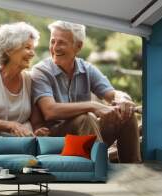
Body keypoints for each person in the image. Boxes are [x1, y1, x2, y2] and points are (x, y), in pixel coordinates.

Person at [31, 20, 141, 163]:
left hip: (88, 133)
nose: (55, 47)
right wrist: (92, 106)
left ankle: (133, 168)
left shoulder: (87, 69)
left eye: (61, 42)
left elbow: (111, 93)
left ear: (78, 46)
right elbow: (50, 110)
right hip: (56, 138)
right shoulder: (41, 71)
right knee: (86, 118)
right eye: (53, 42)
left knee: (126, 114)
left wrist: (123, 99)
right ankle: (100, 168)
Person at [0, 22, 49, 137]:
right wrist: (10, 125)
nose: (33, 53)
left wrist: (39, 130)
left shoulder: (30, 80)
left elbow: (36, 122)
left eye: (33, 48)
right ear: (9, 50)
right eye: (27, 48)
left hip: (20, 142)